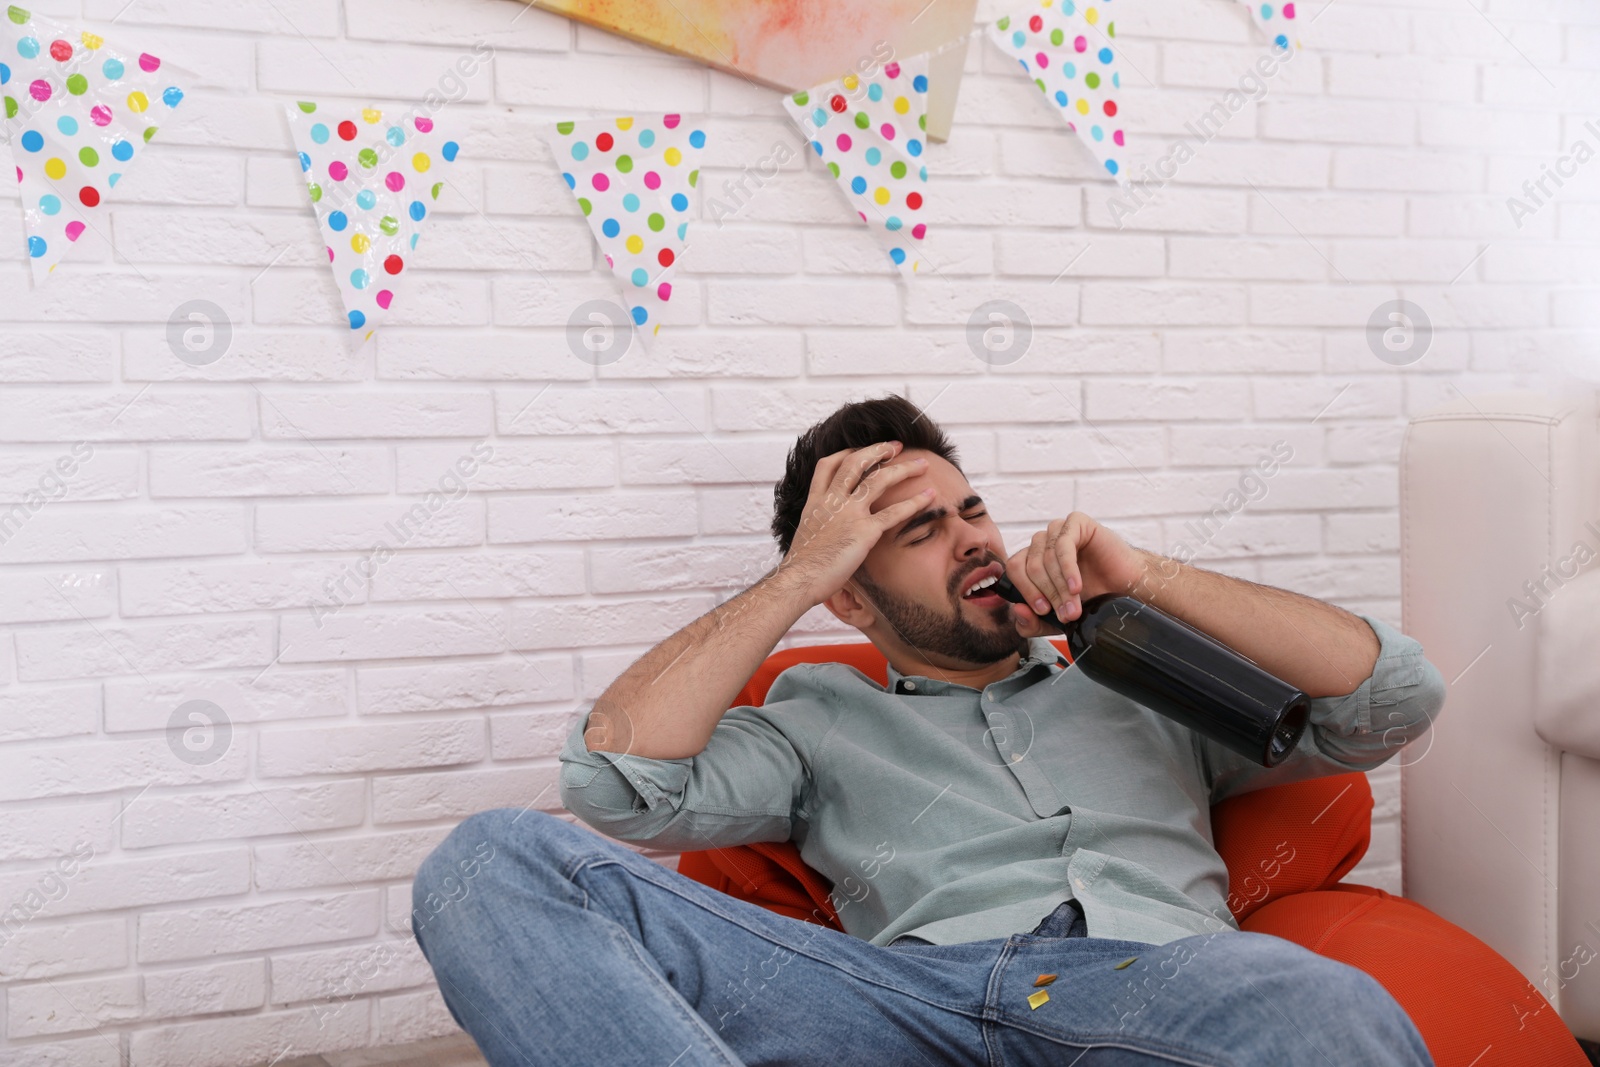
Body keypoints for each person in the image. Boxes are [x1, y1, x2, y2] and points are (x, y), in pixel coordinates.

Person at [413, 395, 1445, 1066]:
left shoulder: (1133, 673)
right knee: (484, 862)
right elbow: (614, 781)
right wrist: (802, 569)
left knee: (1321, 1004)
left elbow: (1392, 696)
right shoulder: (814, 712)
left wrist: (1142, 577)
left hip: (1151, 986)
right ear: (851, 600)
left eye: (971, 508)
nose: (974, 538)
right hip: (903, 1003)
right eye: (917, 530)